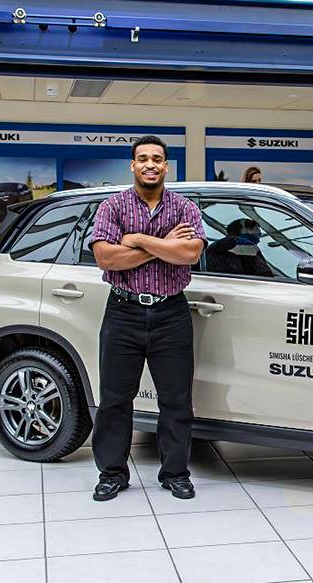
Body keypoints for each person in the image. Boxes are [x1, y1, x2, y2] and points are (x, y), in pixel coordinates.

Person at [88, 135, 206, 502]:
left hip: (171, 313)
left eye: (157, 158)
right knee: (114, 400)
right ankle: (112, 473)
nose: (150, 164)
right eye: (143, 159)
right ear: (133, 165)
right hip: (123, 312)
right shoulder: (112, 206)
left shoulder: (185, 208)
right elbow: (107, 259)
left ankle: (175, 473)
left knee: (176, 401)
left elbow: (189, 254)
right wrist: (163, 246)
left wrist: (137, 239)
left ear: (166, 166)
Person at [206, 218, 273, 277]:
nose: (259, 230)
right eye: (251, 226)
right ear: (241, 229)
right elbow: (263, 272)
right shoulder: (243, 245)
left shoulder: (215, 246)